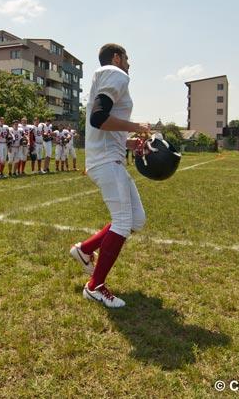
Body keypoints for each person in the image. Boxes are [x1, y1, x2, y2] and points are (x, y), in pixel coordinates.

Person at [69, 43, 150, 308]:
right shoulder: (115, 73)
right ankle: (95, 286)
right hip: (106, 162)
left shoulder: (108, 76)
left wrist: (128, 142)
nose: (129, 63)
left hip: (109, 158)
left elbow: (103, 125)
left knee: (136, 220)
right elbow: (99, 118)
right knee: (123, 222)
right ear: (117, 57)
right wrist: (137, 126)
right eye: (127, 57)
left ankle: (85, 249)